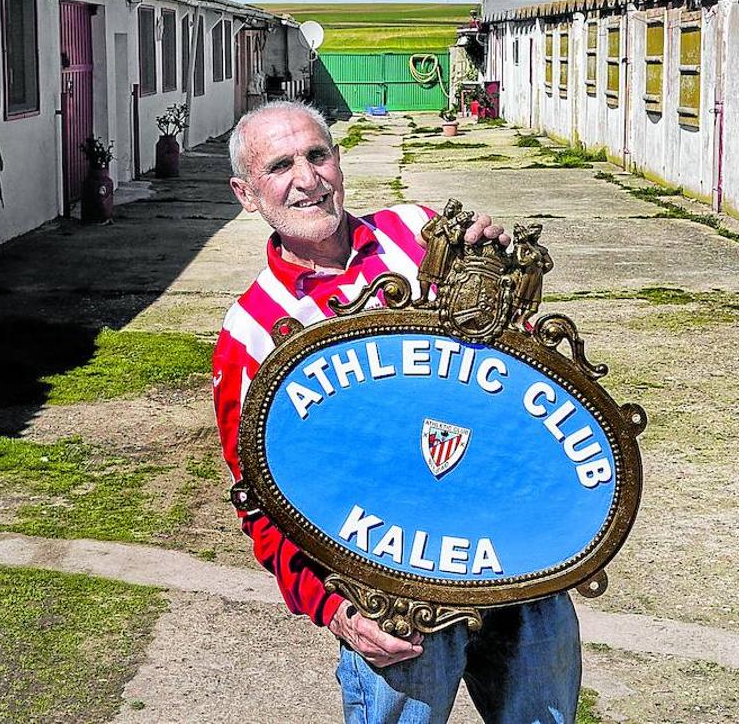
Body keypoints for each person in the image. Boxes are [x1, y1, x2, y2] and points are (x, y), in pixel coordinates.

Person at [213, 101, 581, 724]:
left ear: (338, 160)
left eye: (317, 154)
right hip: (393, 594)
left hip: (517, 552)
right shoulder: (250, 333)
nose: (307, 178)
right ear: (247, 194)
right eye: (280, 166)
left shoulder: (418, 232)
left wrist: (496, 270)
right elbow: (261, 500)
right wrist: (337, 612)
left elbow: (517, 365)